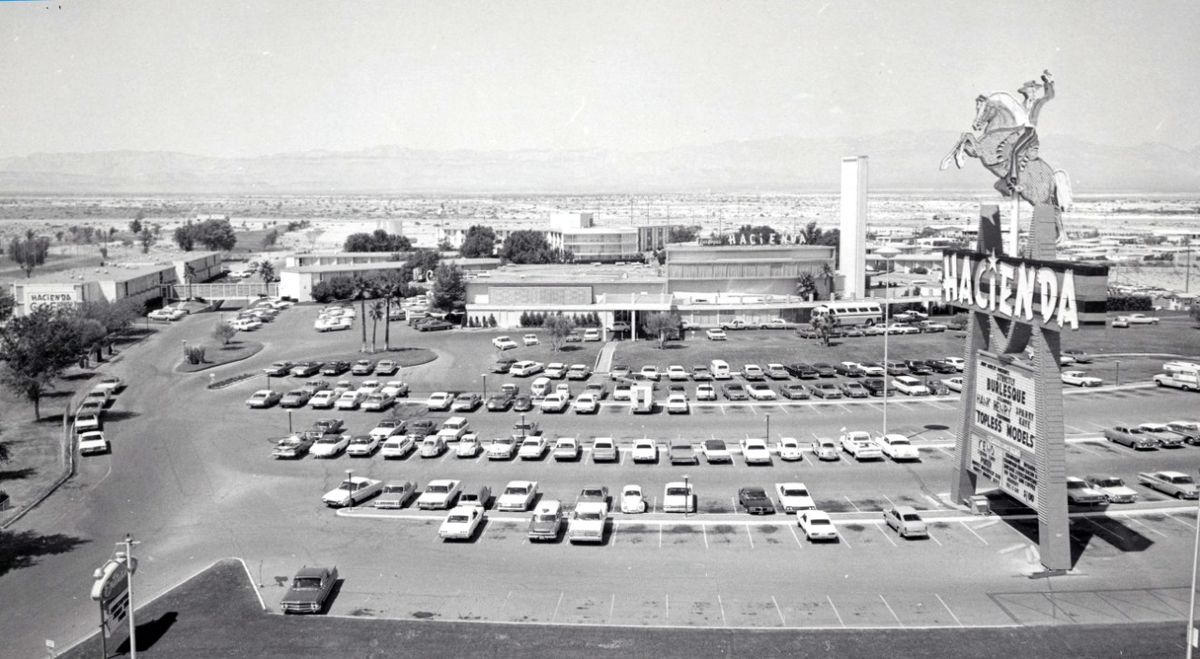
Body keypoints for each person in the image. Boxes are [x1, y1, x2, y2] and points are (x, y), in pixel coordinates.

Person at [1007, 70, 1055, 190]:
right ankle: (1014, 178)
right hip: (1023, 131)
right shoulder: (1021, 105)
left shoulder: (1037, 103)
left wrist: (1049, 83)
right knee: (1013, 151)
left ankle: (1014, 179)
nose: (1033, 92)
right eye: (1031, 90)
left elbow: (1049, 96)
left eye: (1034, 91)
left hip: (1030, 132)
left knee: (1015, 152)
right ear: (1026, 92)